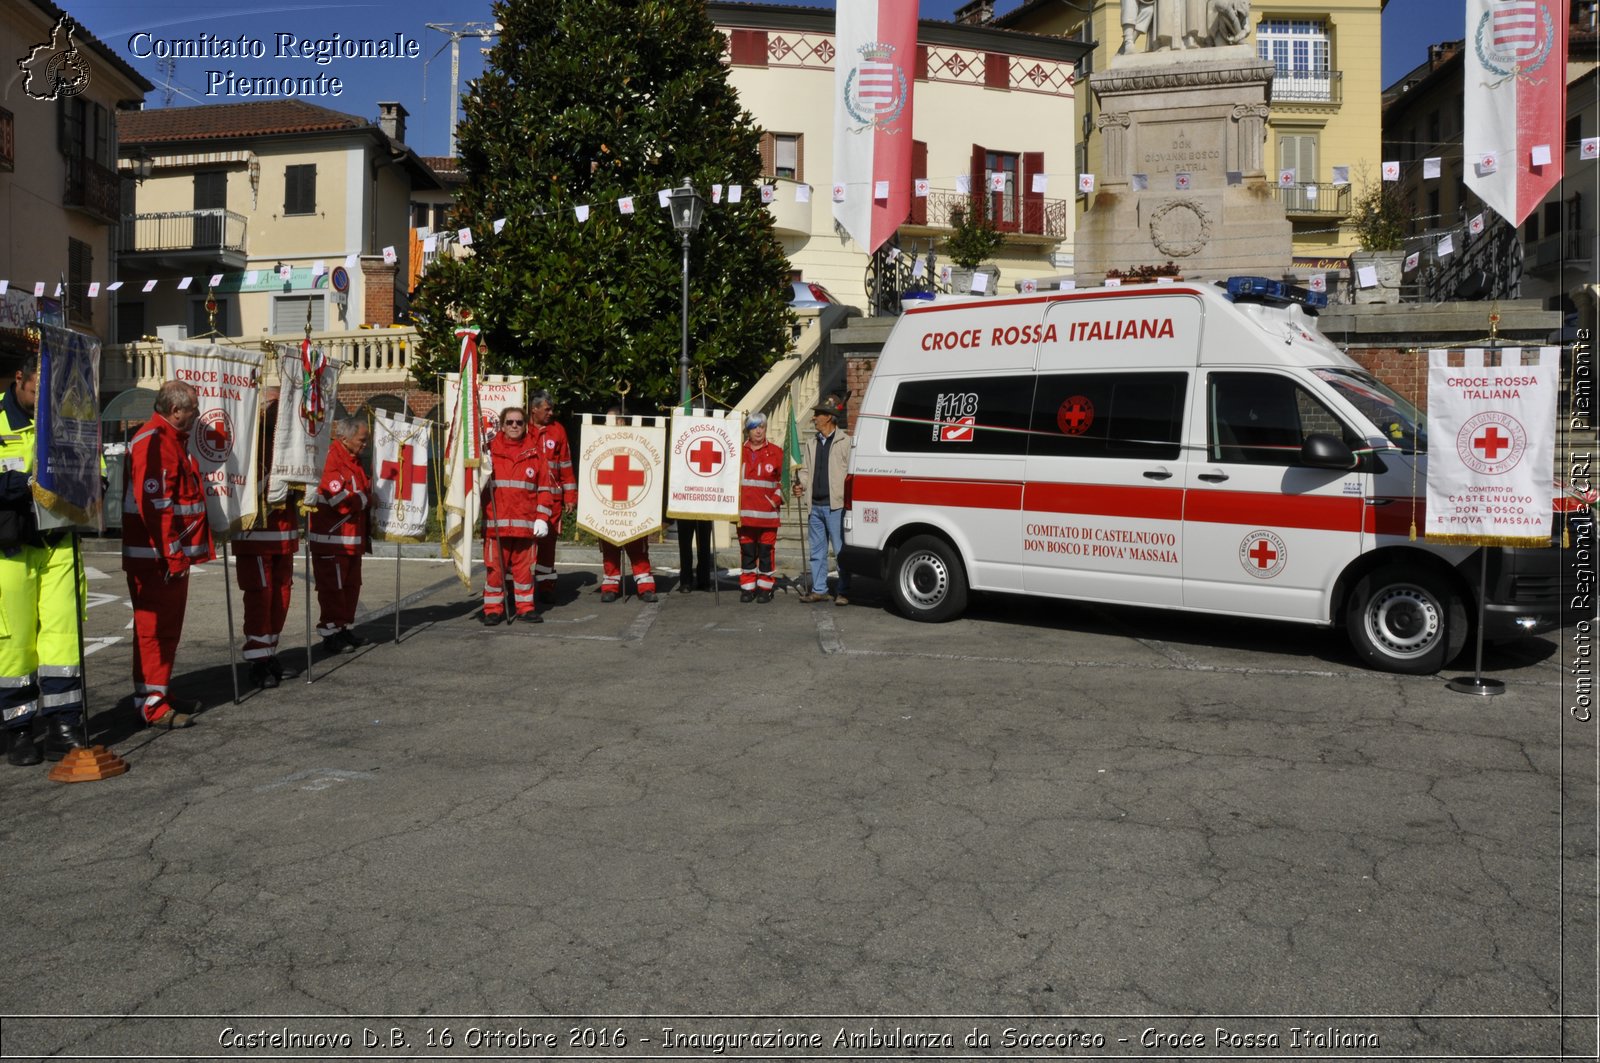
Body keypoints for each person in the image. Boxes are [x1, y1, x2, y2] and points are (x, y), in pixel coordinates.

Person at [0, 355, 89, 764]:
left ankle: (62, 725)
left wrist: (89, 478)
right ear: (20, 380)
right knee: (14, 646)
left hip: (57, 543)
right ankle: (17, 730)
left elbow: (94, 468)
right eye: (37, 391)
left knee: (62, 638)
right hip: (10, 549)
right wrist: (22, 484)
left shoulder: (65, 415)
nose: (41, 400)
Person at [122, 379, 215, 729]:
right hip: (155, 558)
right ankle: (150, 702)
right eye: (193, 410)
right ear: (176, 411)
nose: (196, 416)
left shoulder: (172, 440)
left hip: (167, 557)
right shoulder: (154, 441)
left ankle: (159, 691)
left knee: (167, 630)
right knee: (153, 630)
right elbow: (156, 506)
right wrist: (173, 555)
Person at [233, 403, 299, 689]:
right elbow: (242, 490)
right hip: (256, 537)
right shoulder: (248, 449)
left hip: (283, 536)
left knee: (280, 599)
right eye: (273, 407)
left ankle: (269, 653)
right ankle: (258, 661)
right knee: (260, 599)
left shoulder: (289, 448)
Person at [480, 406, 555, 625]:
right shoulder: (488, 453)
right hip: (496, 525)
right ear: (502, 425)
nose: (515, 426)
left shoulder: (534, 453)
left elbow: (544, 489)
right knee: (495, 571)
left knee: (523, 571)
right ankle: (492, 609)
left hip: (525, 525)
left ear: (525, 425)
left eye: (519, 422)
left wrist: (542, 517)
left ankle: (525, 608)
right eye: (510, 422)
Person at [309, 417, 371, 652]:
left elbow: (359, 491)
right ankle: (330, 631)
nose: (365, 445)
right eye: (361, 440)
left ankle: (343, 627)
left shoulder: (353, 460)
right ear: (345, 439)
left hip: (351, 539)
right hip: (331, 541)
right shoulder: (330, 457)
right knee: (332, 589)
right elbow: (340, 500)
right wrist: (367, 500)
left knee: (351, 586)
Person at [792, 397, 851, 606]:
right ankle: (819, 589)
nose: (814, 417)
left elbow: (849, 473)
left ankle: (843, 591)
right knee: (817, 552)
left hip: (836, 506)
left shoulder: (845, 442)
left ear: (828, 417)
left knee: (841, 551)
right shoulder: (811, 442)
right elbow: (806, 471)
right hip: (815, 505)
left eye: (818, 414)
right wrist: (801, 485)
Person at [598, 406, 657, 604]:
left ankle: (645, 586)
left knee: (638, 549)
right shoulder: (599, 443)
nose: (607, 425)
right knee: (610, 547)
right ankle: (610, 586)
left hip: (633, 505)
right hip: (609, 503)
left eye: (611, 421)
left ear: (622, 422)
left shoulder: (639, 442)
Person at [528, 390, 577, 606]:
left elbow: (566, 465)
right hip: (526, 500)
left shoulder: (558, 431)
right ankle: (515, 587)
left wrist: (570, 496)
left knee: (547, 548)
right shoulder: (521, 429)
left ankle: (546, 587)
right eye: (547, 409)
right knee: (522, 547)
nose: (551, 413)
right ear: (534, 409)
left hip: (553, 502)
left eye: (552, 409)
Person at [737, 412, 783, 603]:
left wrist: (775, 500)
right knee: (747, 552)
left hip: (768, 516)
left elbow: (784, 482)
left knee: (766, 552)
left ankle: (765, 588)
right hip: (744, 515)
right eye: (755, 427)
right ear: (748, 430)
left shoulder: (776, 452)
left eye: (762, 427)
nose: (758, 431)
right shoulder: (737, 452)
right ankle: (748, 587)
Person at [675, 518, 713, 593]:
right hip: (685, 510)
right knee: (685, 546)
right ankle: (686, 581)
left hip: (704, 510)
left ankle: (704, 580)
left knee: (704, 545)